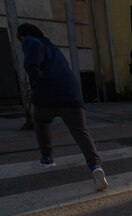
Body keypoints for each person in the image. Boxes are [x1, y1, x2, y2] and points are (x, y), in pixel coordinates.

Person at [17, 23, 108, 191]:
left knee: (41, 123)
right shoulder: (52, 47)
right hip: (71, 94)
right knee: (81, 131)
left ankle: (47, 158)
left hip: (47, 95)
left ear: (23, 37)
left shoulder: (30, 41)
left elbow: (32, 66)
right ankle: (96, 167)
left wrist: (39, 80)